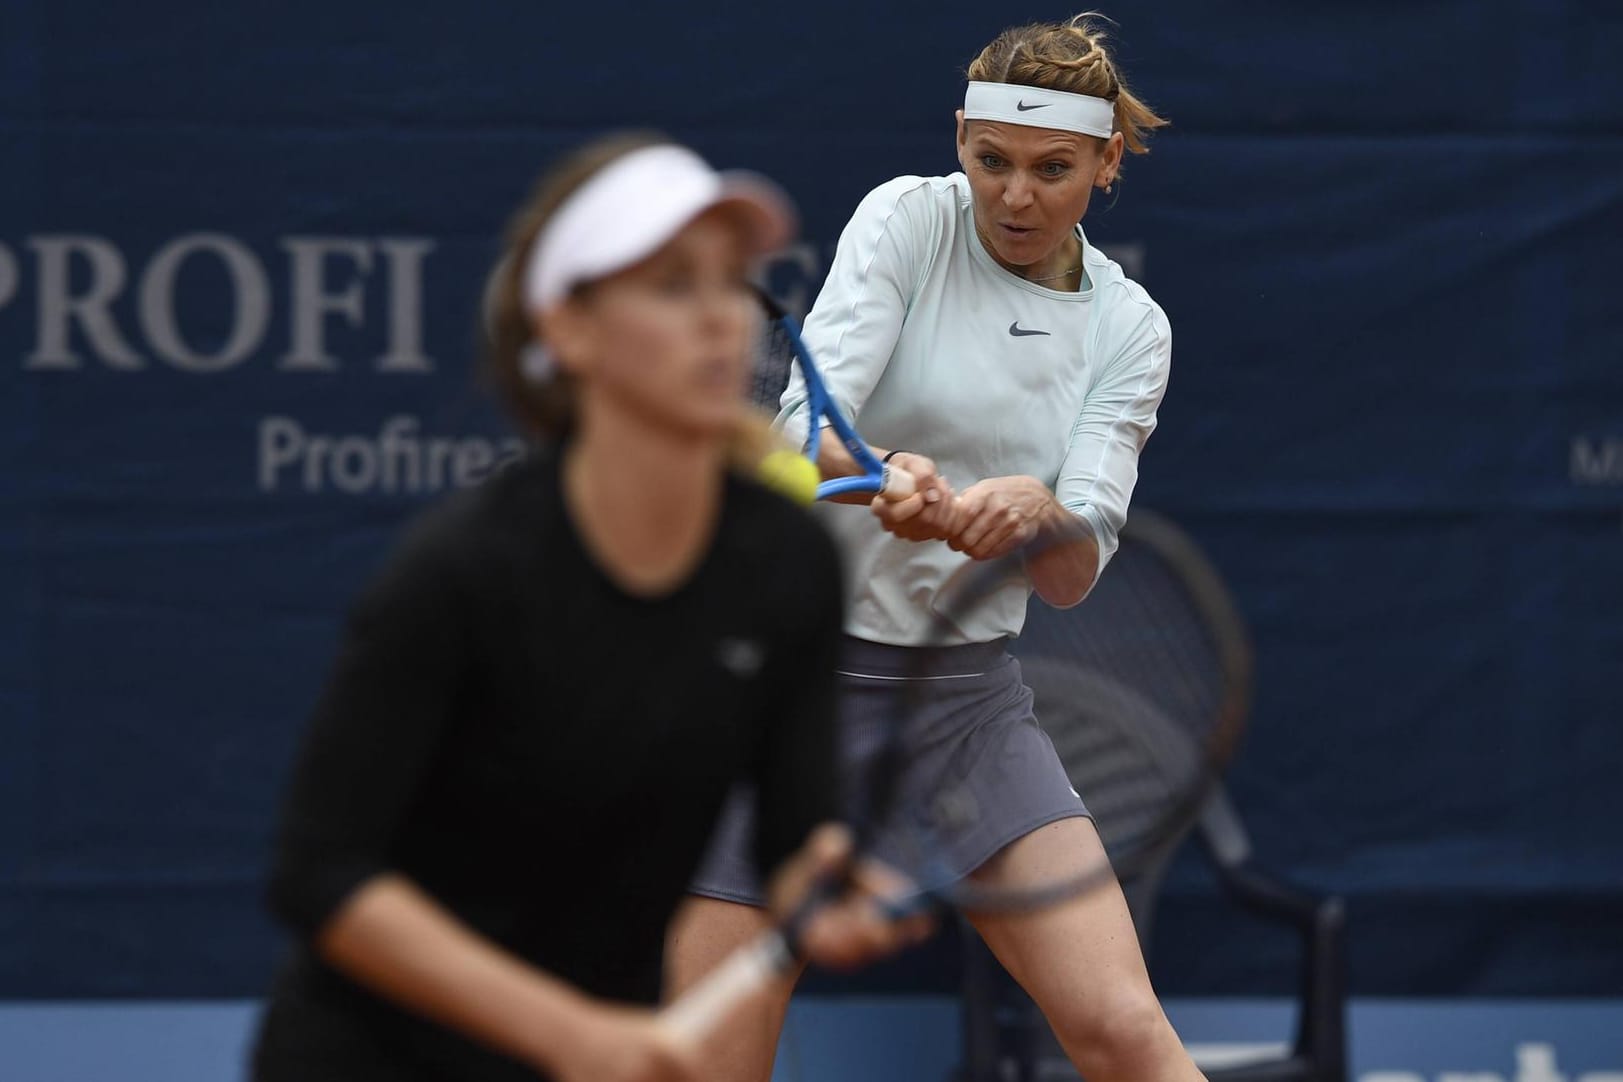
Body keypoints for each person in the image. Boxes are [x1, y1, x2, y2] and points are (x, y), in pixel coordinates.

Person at [252, 134, 917, 1082]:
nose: (719, 318)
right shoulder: (460, 574)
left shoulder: (785, 566)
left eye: (730, 281)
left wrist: (822, 881)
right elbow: (319, 876)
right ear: (568, 332)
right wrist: (564, 1031)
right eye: (670, 284)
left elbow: (787, 833)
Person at [667, 15, 1208, 1082]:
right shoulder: (909, 218)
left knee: (1123, 1030)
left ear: (1106, 164)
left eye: (1054, 169)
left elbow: (1071, 569)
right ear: (960, 136)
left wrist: (1033, 513)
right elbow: (791, 438)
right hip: (782, 701)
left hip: (966, 712)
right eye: (990, 159)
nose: (1015, 196)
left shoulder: (1131, 328)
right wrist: (888, 474)